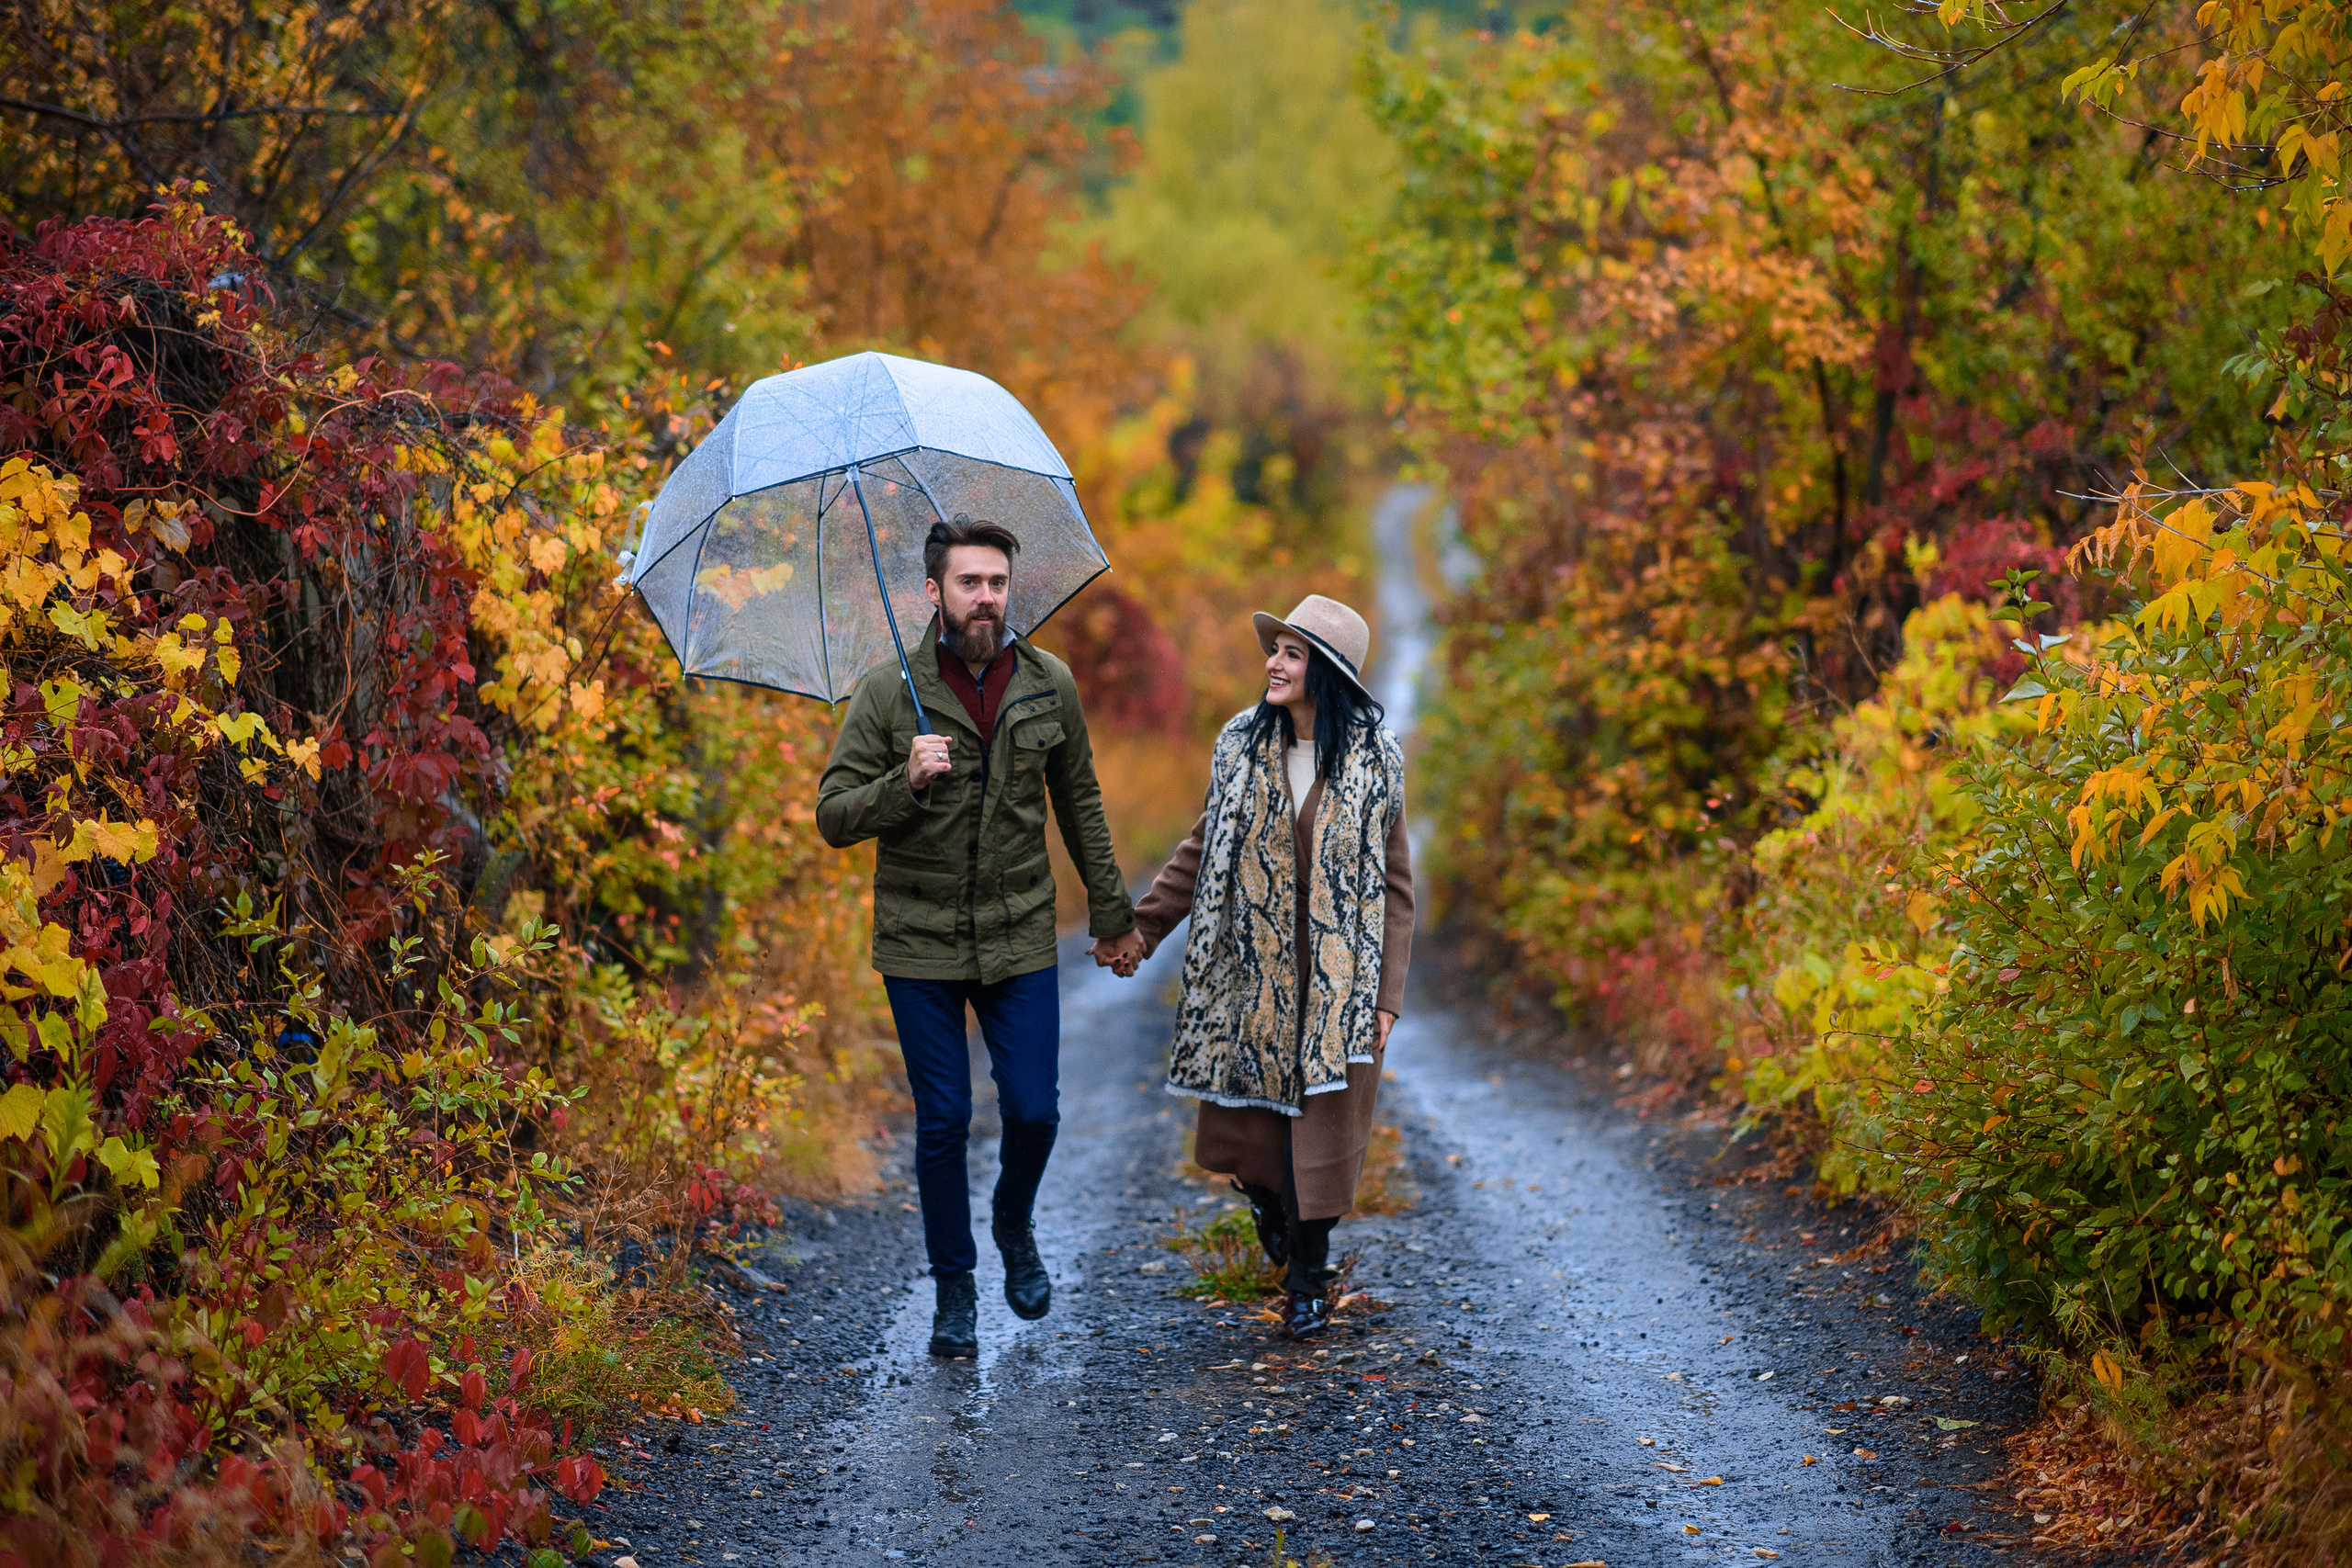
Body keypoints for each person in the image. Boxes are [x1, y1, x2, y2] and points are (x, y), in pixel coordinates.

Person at [817, 514, 1145, 1359]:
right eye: (970, 582)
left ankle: (1012, 1221)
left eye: (998, 581)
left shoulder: (1049, 684)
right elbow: (833, 815)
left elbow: (1083, 807)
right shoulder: (890, 693)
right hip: (918, 942)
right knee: (944, 1120)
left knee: (1034, 1111)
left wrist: (1112, 917)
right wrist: (904, 779)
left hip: (1020, 932)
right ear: (934, 592)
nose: (987, 597)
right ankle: (954, 1290)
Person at [1119, 594, 1412, 1340]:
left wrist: (1387, 997)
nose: (1273, 664)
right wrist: (1142, 929)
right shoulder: (1242, 745)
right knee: (1251, 1137)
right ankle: (1270, 1203)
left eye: (1292, 652)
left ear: (1331, 672)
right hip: (1253, 967)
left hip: (1342, 978)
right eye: (1274, 649)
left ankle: (1308, 1283)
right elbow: (1201, 848)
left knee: (1323, 1131)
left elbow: (1397, 883)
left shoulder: (1376, 760)